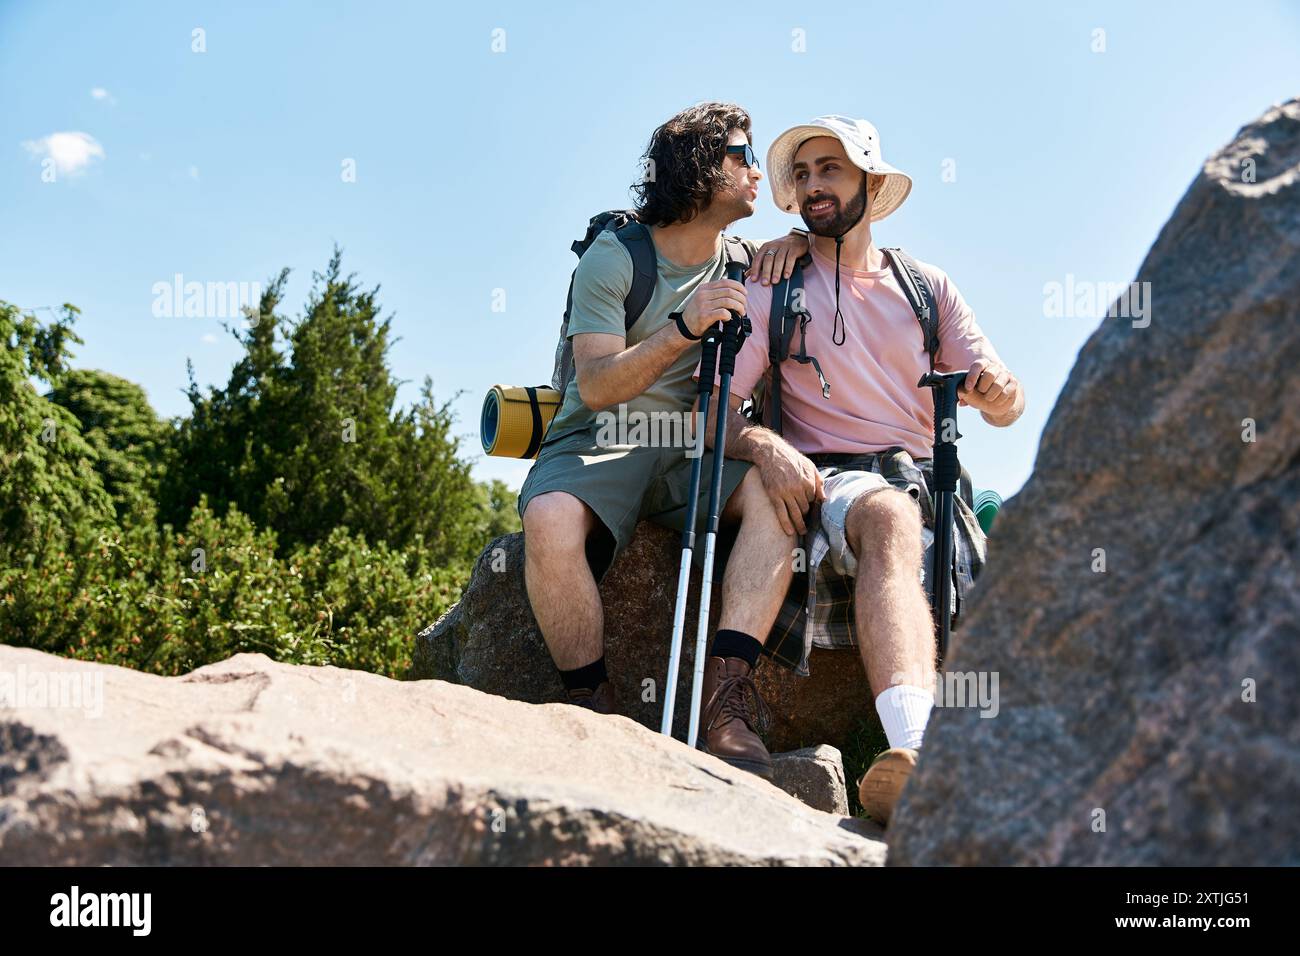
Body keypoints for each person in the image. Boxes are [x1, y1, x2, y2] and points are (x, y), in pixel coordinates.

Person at [697, 115, 1025, 822]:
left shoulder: (926, 286)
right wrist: (763, 446)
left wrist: (999, 392)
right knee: (886, 514)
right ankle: (914, 755)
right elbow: (715, 413)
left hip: (934, 484)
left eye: (830, 170)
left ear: (871, 184)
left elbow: (1004, 400)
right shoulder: (770, 284)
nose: (813, 185)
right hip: (837, 482)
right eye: (804, 174)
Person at [517, 102, 809, 779]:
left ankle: (727, 702)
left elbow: (821, 265)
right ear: (701, 167)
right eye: (741, 154)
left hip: (694, 447)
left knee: (776, 496)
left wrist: (799, 243)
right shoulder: (614, 258)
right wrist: (681, 326)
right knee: (549, 518)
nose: (756, 171)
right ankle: (593, 706)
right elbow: (594, 385)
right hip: (602, 438)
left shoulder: (747, 260)